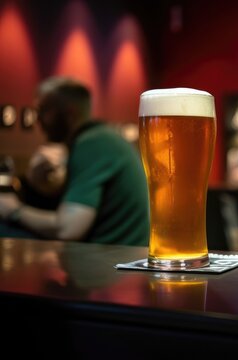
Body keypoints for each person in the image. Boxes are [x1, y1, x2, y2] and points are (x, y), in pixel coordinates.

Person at [0, 76, 150, 246]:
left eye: (43, 110)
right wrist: (37, 185)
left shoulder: (93, 144)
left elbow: (69, 229)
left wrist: (13, 210)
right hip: (115, 253)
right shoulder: (101, 138)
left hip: (109, 260)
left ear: (69, 113)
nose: (38, 119)